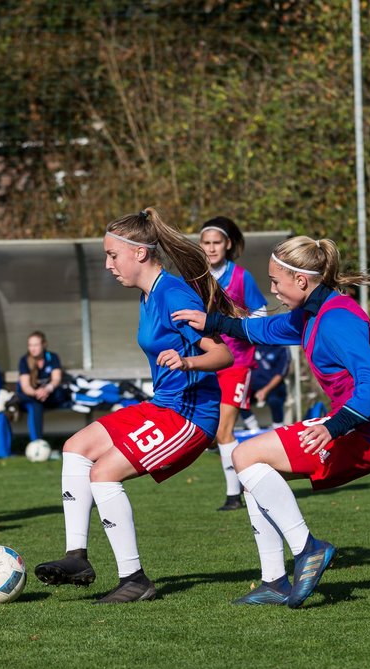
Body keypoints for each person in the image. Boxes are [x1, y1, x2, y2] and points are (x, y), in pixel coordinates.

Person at [173, 235, 370, 608]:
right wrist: (212, 322)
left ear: (302, 281)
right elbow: (264, 330)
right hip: (351, 428)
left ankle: (308, 549)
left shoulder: (338, 318)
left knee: (245, 456)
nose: (273, 290)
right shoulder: (313, 312)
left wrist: (332, 427)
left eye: (277, 282)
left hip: (363, 434)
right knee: (252, 475)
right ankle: (274, 580)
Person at [34, 207, 234, 603]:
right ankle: (76, 557)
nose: (108, 265)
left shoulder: (173, 294)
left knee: (104, 474)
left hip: (190, 415)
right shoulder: (149, 294)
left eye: (113, 255)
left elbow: (223, 354)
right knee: (75, 449)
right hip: (163, 405)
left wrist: (189, 360)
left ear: (140, 253)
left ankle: (135, 580)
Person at [198, 216, 269, 512]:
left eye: (217, 243)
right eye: (206, 243)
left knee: (225, 430)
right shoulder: (195, 277)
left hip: (237, 362)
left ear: (227, 245)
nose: (212, 249)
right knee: (210, 435)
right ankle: (246, 472)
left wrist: (236, 323)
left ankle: (233, 496)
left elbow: (261, 313)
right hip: (206, 361)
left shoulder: (241, 277)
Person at [17, 330, 71, 443]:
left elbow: (56, 379)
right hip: (31, 396)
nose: (33, 348)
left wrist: (47, 389)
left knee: (61, 394)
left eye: (36, 345)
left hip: (48, 395)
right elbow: (25, 386)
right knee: (35, 405)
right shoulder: (24, 360)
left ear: (44, 344)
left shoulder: (52, 357)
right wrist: (37, 393)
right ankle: (37, 444)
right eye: (30, 345)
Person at [247, 343, 291, 428]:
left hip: (273, 387)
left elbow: (281, 374)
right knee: (237, 398)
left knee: (274, 400)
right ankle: (253, 427)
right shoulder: (252, 343)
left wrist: (265, 391)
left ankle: (278, 428)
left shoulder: (282, 347)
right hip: (252, 387)